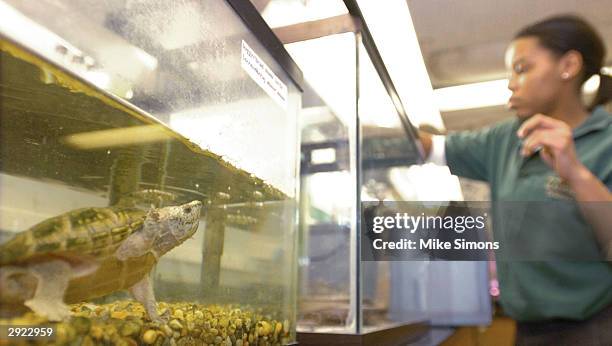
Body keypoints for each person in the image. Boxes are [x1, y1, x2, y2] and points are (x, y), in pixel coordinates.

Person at [419, 15, 612, 345]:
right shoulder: (504, 139)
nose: (511, 83)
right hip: (525, 329)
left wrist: (576, 174)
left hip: (593, 328)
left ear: (568, 66)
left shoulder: (606, 140)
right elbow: (430, 147)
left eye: (522, 69)